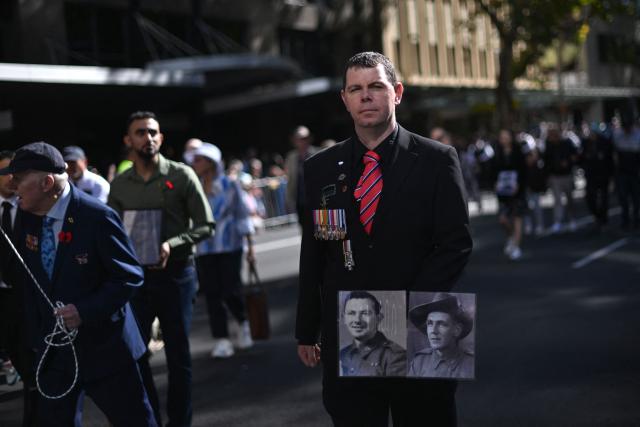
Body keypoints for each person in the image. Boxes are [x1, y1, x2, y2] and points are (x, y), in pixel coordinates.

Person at [295, 52, 472, 426]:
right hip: (349, 327)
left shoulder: (438, 159)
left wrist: (404, 309)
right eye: (355, 89)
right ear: (344, 99)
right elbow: (314, 253)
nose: (366, 96)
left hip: (420, 325)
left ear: (397, 93)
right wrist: (306, 329)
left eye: (376, 86)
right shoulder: (319, 169)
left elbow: (455, 244)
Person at [1, 142, 156, 426]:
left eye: (19, 178)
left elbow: (129, 276)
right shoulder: (24, 215)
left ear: (47, 182)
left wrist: (84, 311)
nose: (12, 186)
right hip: (54, 352)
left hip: (106, 349)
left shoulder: (96, 216)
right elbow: (28, 279)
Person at [108, 111, 214, 427]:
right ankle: (149, 418)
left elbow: (206, 224)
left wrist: (173, 243)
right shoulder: (120, 185)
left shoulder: (182, 175)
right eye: (140, 133)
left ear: (161, 138)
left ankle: (179, 422)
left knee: (178, 357)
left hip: (177, 275)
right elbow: (111, 232)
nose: (148, 138)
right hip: (137, 280)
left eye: (153, 132)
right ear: (129, 140)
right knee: (137, 355)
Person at [190, 143, 255, 358]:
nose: (194, 163)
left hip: (229, 245)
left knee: (231, 289)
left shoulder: (229, 184)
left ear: (210, 162)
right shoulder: (193, 186)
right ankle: (222, 338)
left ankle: (243, 322)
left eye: (199, 159)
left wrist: (250, 247)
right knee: (212, 294)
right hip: (204, 247)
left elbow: (242, 214)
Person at [0, 150, 38, 427]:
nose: (11, 179)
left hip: (28, 295)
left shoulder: (33, 208)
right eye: (4, 172)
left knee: (32, 364)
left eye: (15, 173)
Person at [408, 293, 474, 379]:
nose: (434, 331)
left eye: (442, 324)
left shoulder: (471, 364)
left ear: (456, 330)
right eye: (430, 323)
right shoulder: (419, 362)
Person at [339, 291, 406, 377]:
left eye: (365, 313)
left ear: (379, 318)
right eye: (351, 313)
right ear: (344, 318)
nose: (357, 320)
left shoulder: (395, 356)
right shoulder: (342, 355)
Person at [492, 129, 528, 260]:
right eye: (502, 137)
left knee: (517, 218)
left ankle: (516, 246)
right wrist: (495, 183)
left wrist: (519, 184)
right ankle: (511, 236)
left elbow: (524, 170)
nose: (504, 139)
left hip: (517, 191)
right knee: (503, 219)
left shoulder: (518, 152)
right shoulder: (497, 153)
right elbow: (493, 171)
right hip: (503, 192)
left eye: (506, 137)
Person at [544, 125, 578, 233]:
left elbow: (575, 156)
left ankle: (572, 218)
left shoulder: (567, 143)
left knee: (569, 198)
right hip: (555, 176)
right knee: (557, 200)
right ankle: (558, 221)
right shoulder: (548, 145)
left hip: (566, 174)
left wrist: (568, 162)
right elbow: (546, 160)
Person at [284, 125, 319, 225]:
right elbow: (291, 180)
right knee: (305, 231)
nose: (303, 141)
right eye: (299, 139)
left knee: (322, 230)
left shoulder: (318, 153)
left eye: (305, 138)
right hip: (301, 202)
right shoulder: (291, 157)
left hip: (318, 201)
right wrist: (289, 200)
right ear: (294, 141)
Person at [612, 115, 640, 230]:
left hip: (635, 172)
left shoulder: (638, 136)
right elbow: (615, 155)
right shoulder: (618, 136)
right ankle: (625, 219)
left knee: (636, 198)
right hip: (622, 172)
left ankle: (636, 220)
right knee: (623, 197)